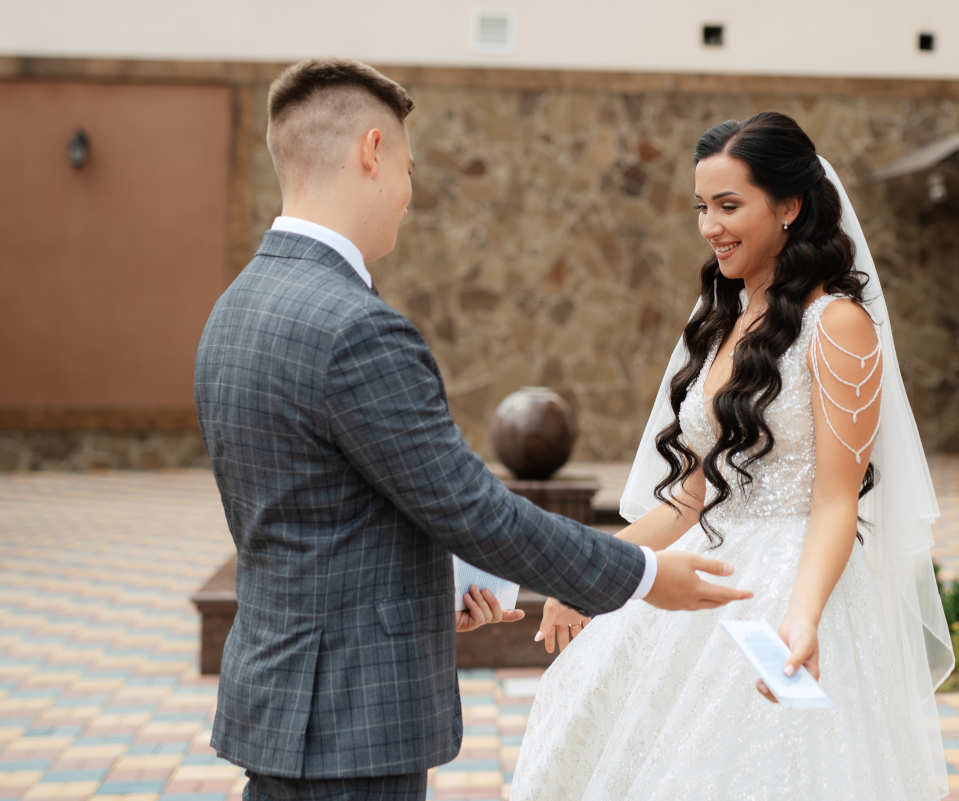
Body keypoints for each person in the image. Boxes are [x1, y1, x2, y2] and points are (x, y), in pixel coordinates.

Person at [193, 57, 752, 801]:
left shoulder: (234, 310)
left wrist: (433, 589)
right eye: (408, 167)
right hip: (349, 723)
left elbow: (311, 512)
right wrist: (646, 576)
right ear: (371, 151)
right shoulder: (357, 329)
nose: (407, 194)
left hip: (279, 698)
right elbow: (473, 509)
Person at [511, 112, 955, 800]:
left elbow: (837, 498)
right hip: (701, 574)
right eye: (701, 207)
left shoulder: (836, 324)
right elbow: (689, 498)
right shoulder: (719, 321)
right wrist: (593, 576)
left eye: (728, 205)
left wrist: (802, 616)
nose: (710, 225)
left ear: (788, 207)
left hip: (788, 589)